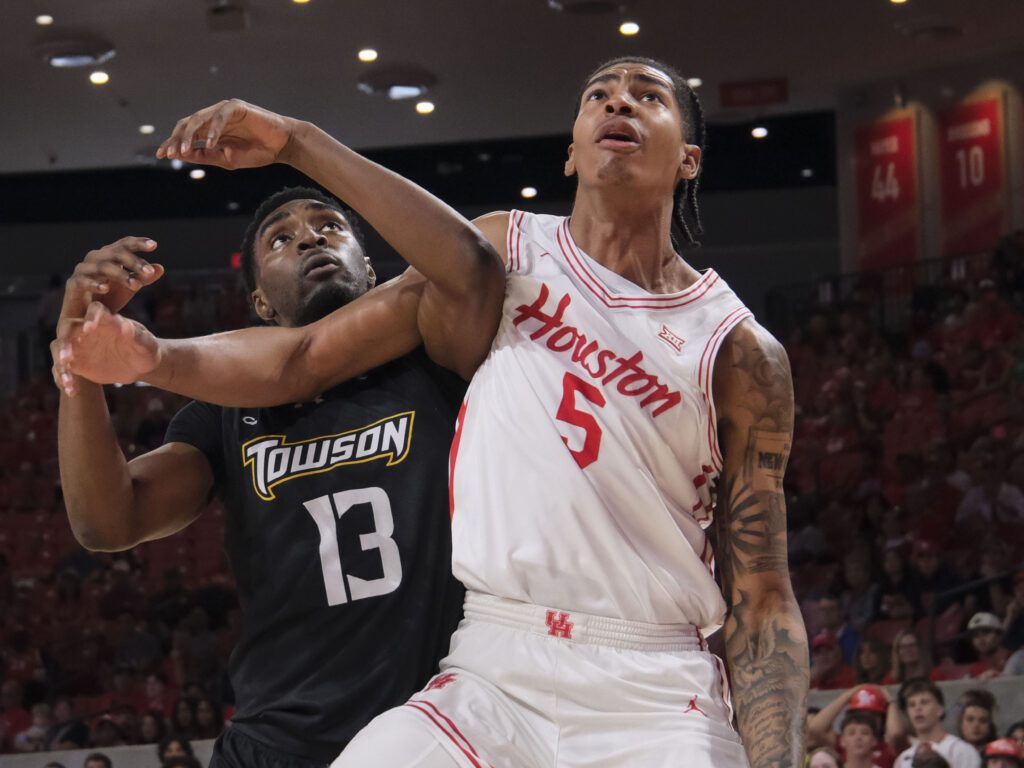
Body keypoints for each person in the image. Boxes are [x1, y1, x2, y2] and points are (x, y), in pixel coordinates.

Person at [59, 56, 808, 768]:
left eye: (648, 96)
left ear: (690, 158)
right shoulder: (508, 251)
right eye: (597, 95)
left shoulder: (737, 351)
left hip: (651, 671)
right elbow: (298, 359)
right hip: (495, 660)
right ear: (571, 155)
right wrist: (140, 358)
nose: (617, 102)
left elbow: (764, 596)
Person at [52, 95, 504, 767]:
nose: (311, 238)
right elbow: (108, 522)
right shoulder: (224, 410)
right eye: (280, 239)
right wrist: (80, 365)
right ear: (260, 300)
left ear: (372, 266)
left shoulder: (436, 352)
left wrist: (299, 141)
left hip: (438, 727)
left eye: (330, 226)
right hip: (277, 740)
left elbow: (468, 265)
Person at [895, 679, 981, 768]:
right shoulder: (903, 759)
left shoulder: (962, 750)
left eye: (924, 702)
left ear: (940, 709)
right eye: (912, 705)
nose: (917, 708)